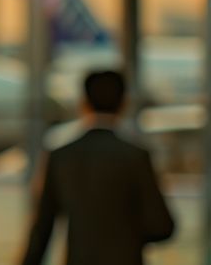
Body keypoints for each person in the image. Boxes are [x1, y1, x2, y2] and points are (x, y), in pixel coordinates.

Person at [21, 71, 174, 265]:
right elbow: (161, 226)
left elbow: (42, 230)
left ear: (83, 104)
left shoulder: (61, 156)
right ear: (124, 104)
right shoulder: (136, 156)